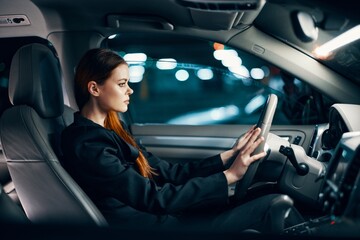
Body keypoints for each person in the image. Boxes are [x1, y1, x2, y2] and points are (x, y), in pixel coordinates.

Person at [61, 48, 303, 234]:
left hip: (168, 217)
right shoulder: (87, 144)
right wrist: (231, 176)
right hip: (152, 226)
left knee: (263, 193)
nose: (130, 90)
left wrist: (229, 156)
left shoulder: (113, 128)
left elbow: (167, 172)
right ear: (94, 88)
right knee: (275, 205)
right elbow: (153, 198)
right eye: (122, 84)